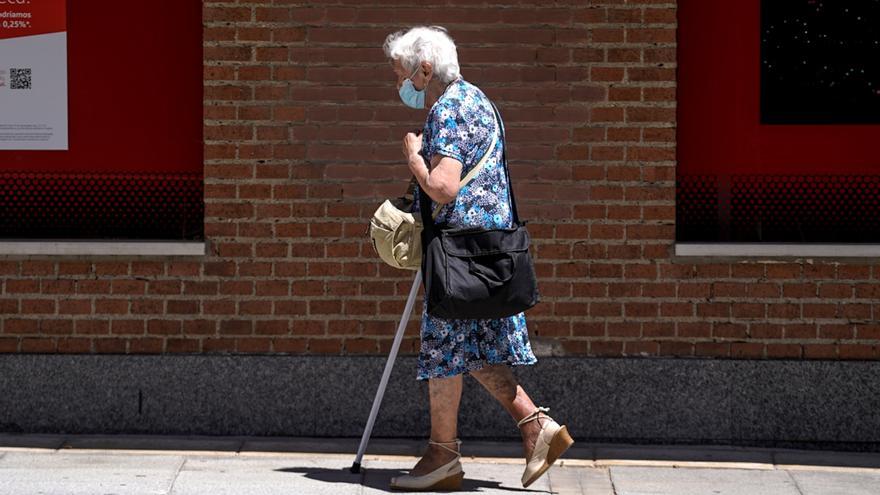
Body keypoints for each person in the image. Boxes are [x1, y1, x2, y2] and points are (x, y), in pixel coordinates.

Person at [382, 26, 574, 491]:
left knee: (452, 348)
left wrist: (414, 158)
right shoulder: (477, 100)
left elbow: (444, 186)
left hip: (461, 256)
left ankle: (480, 444)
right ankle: (476, 445)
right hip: (484, 253)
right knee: (457, 350)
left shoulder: (448, 110)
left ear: (425, 68)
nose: (401, 84)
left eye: (404, 73)